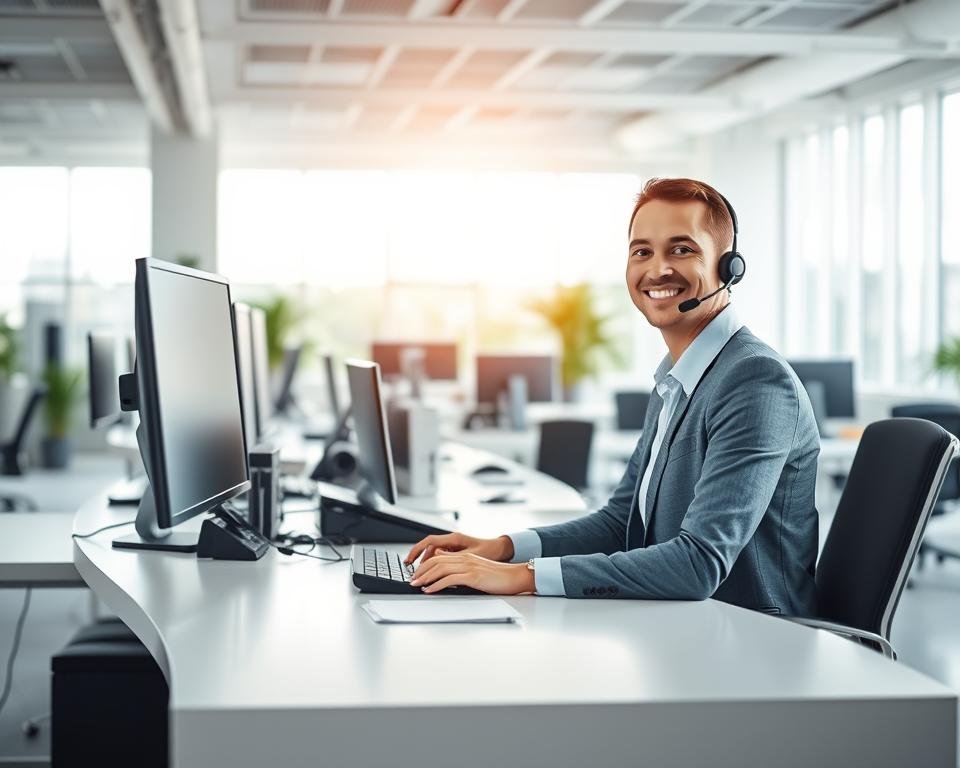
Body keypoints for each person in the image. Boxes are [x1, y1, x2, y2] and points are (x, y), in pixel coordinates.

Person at [406, 177, 820, 617]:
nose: (657, 269)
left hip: (756, 644)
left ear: (728, 267)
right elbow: (622, 522)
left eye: (681, 249)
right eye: (642, 251)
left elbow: (698, 565)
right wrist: (502, 548)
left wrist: (522, 576)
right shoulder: (675, 380)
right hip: (685, 627)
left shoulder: (754, 380)